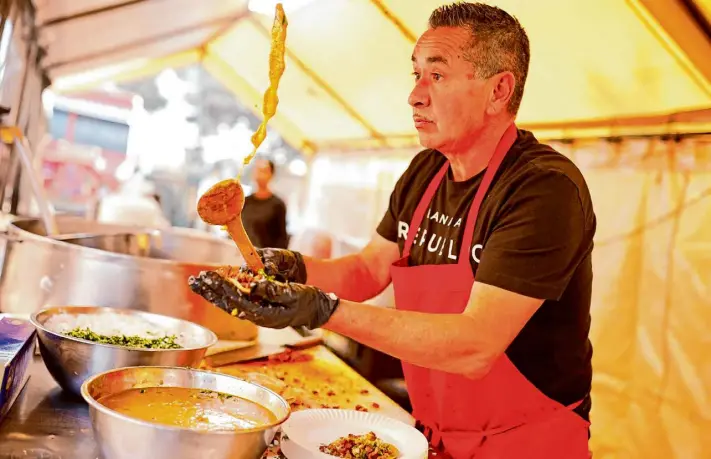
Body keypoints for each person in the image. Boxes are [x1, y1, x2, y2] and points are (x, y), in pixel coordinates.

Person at [190, 3, 595, 458]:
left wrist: (321, 311)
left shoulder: (543, 189)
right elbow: (367, 270)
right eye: (416, 74)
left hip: (525, 445)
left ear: (499, 90)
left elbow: (475, 345)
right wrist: (294, 268)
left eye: (436, 76)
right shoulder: (427, 171)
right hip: (434, 436)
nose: (415, 96)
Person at [241, 158, 289, 249]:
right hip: (241, 255)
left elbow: (282, 240)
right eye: (257, 170)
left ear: (271, 174)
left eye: (263, 171)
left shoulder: (277, 204)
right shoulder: (244, 202)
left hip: (264, 258)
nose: (259, 174)